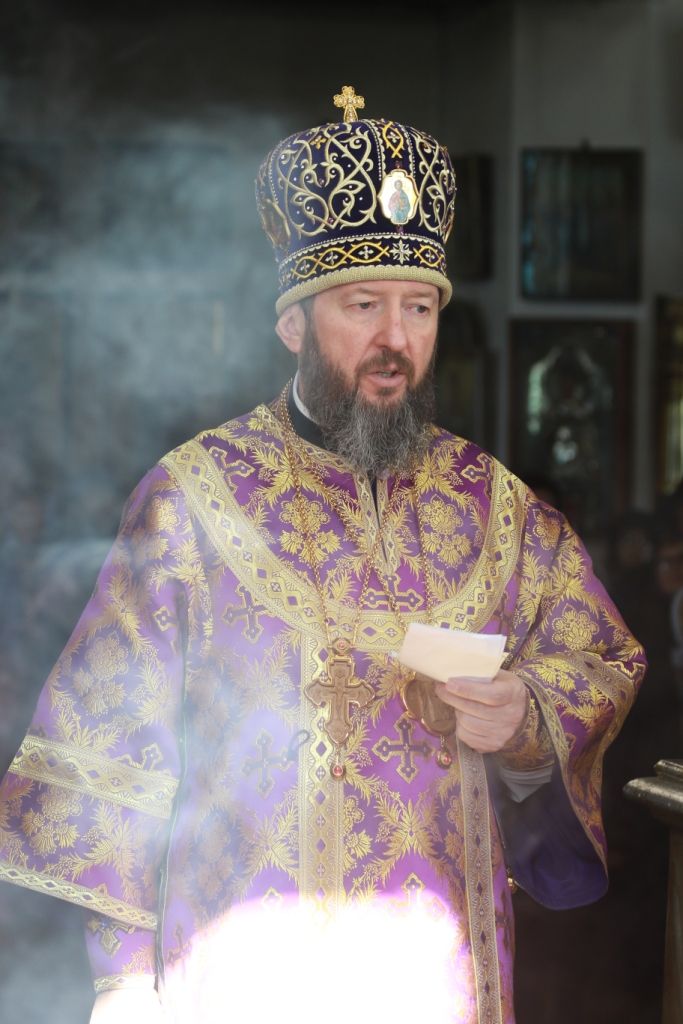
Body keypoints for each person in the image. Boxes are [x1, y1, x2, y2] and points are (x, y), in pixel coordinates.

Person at [0, 87, 646, 1024]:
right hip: (241, 977)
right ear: (293, 324)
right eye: (362, 305)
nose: (395, 339)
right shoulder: (191, 500)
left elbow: (599, 658)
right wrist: (124, 982)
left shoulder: (495, 506)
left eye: (418, 307)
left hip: (435, 980)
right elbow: (107, 758)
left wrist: (525, 716)